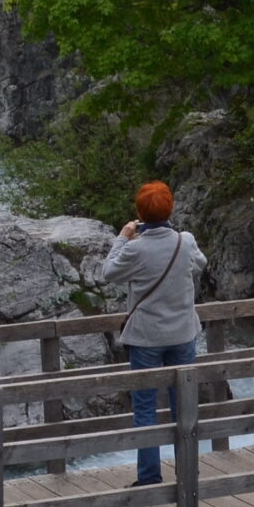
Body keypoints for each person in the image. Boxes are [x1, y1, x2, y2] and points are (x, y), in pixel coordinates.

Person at [96, 181, 208, 486]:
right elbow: (201, 263)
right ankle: (188, 471)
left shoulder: (135, 248)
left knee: (145, 407)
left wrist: (122, 237)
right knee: (183, 405)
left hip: (146, 338)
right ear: (171, 208)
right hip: (183, 333)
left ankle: (149, 478)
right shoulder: (185, 241)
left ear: (139, 213)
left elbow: (107, 274)